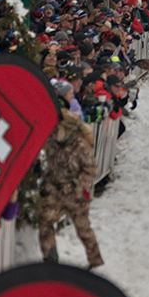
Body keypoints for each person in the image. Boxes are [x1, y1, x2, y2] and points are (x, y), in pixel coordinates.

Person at [39, 106, 103, 268]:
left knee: (83, 229)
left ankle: (96, 261)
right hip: (56, 192)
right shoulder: (53, 144)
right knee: (45, 222)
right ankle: (50, 258)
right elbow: (49, 165)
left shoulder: (80, 146)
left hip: (75, 195)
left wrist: (77, 183)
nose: (54, 132)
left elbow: (91, 169)